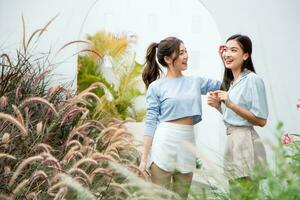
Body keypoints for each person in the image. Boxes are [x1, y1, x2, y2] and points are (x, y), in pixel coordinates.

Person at [138, 36, 221, 199]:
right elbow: (150, 122)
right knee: (159, 196)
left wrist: (224, 58)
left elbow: (226, 84)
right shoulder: (156, 87)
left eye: (186, 51)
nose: (186, 56)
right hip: (164, 143)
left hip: (187, 143)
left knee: (181, 196)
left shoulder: (195, 82)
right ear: (168, 59)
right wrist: (144, 158)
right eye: (181, 52)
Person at [207, 34, 268, 199]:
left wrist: (231, 103)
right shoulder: (233, 82)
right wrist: (219, 107)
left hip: (245, 141)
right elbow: (236, 118)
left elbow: (261, 120)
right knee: (235, 194)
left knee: (245, 194)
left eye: (234, 50)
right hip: (232, 140)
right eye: (226, 50)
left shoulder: (253, 80)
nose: (227, 54)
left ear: (246, 55)